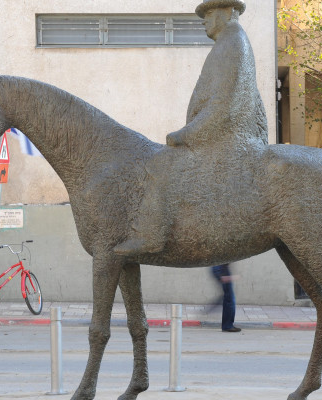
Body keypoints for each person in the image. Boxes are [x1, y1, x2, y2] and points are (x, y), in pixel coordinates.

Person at [114, 0, 267, 256]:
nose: (204, 19)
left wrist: (186, 134)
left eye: (209, 13)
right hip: (229, 133)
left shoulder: (232, 43)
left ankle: (151, 235)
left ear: (228, 12)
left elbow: (223, 106)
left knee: (161, 163)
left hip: (229, 138)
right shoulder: (230, 42)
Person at [211, 264, 241, 332]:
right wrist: (230, 277)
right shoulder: (219, 264)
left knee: (229, 299)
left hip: (224, 271)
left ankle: (227, 325)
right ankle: (227, 326)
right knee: (229, 300)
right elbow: (217, 270)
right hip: (223, 272)